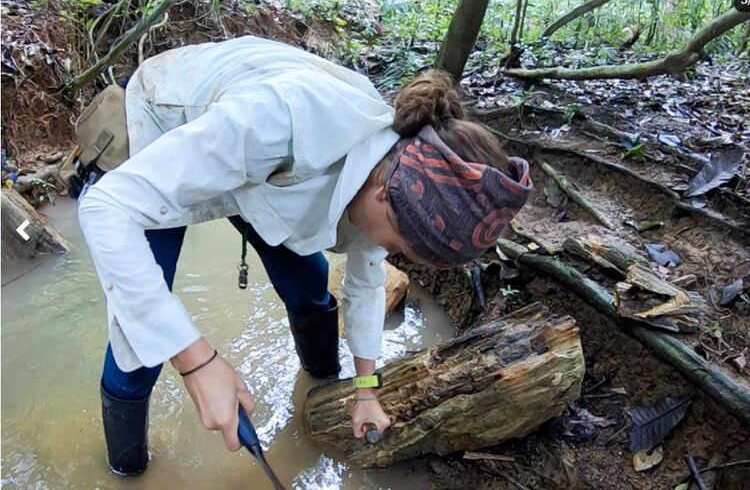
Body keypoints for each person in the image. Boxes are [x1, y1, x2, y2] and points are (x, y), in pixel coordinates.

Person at [78, 36, 533, 476]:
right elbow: (105, 210)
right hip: (167, 120)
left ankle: (321, 381)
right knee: (139, 338)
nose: (388, 255)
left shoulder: (394, 162)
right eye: (398, 246)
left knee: (310, 286)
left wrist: (365, 387)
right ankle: (128, 466)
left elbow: (367, 280)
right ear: (383, 192)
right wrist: (196, 360)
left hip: (262, 170)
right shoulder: (276, 123)